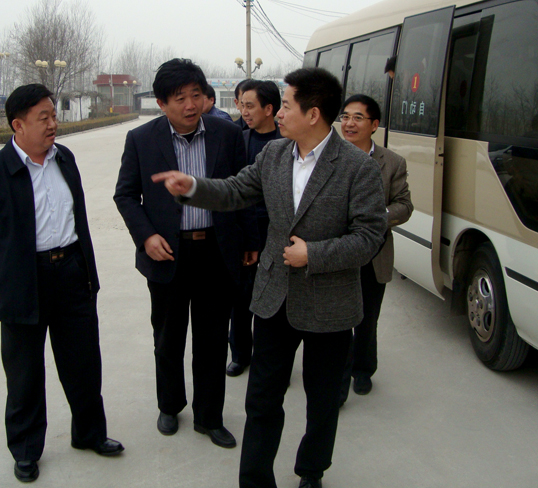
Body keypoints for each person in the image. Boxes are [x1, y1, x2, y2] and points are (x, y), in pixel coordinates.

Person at [152, 68, 387, 488]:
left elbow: (369, 237)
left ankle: (311, 470)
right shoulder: (275, 154)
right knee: (261, 398)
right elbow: (235, 191)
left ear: (313, 114)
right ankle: (255, 479)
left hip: (330, 305)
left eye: (287, 105)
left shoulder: (356, 167)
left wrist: (313, 254)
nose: (278, 113)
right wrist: (192, 187)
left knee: (322, 402)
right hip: (275, 297)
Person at [0, 84, 123, 483]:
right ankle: (25, 450)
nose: (53, 124)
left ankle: (89, 434)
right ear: (18, 125)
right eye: (44, 118)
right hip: (22, 283)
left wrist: (88, 275)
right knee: (24, 375)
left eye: (54, 115)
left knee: (83, 365)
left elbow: (79, 222)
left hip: (71, 274)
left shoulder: (64, 158)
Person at [113, 58, 258, 449]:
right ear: (162, 103)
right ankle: (169, 405)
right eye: (180, 98)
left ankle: (209, 417)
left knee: (212, 340)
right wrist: (146, 237)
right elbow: (125, 195)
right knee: (168, 337)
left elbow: (244, 192)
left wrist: (249, 241)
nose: (190, 105)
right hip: (167, 254)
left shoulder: (228, 135)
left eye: (196, 95)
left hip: (216, 251)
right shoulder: (142, 139)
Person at [338, 94, 413, 403]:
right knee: (338, 321)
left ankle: (363, 369)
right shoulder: (329, 156)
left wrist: (376, 217)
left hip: (373, 254)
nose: (349, 123)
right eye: (345, 117)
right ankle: (338, 382)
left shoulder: (392, 162)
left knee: (367, 318)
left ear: (374, 125)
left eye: (357, 118)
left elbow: (404, 205)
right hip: (337, 253)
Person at [227, 79, 282, 378]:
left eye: (250, 106)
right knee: (241, 293)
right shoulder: (239, 138)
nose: (244, 112)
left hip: (276, 228)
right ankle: (240, 353)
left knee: (273, 295)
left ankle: (270, 356)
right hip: (245, 227)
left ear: (269, 108)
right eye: (242, 105)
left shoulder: (287, 142)